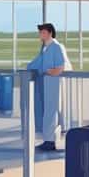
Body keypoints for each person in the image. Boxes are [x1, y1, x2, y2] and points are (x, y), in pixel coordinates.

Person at [26, 23, 70, 152]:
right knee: (48, 112)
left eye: (43, 32)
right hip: (47, 82)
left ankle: (50, 142)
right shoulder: (45, 48)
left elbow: (60, 66)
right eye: (40, 32)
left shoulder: (56, 47)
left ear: (50, 33)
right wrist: (28, 68)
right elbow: (37, 63)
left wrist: (49, 72)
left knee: (51, 111)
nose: (41, 35)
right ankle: (48, 140)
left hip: (53, 83)